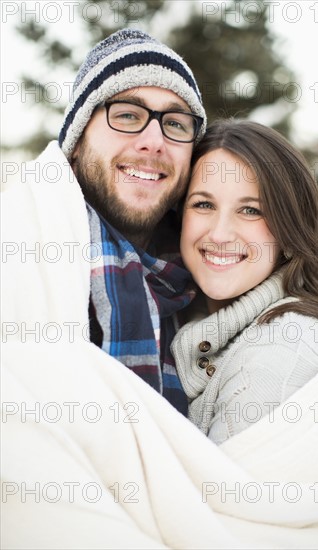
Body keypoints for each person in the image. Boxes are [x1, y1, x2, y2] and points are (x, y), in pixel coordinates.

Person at [2, 28, 207, 415]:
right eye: (128, 115)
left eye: (176, 124)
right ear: (76, 143)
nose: (154, 140)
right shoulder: (16, 248)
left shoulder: (207, 284)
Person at [171, 118, 318, 444]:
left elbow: (222, 495)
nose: (219, 233)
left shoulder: (283, 344)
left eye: (250, 211)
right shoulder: (181, 324)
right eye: (203, 204)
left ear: (289, 232)